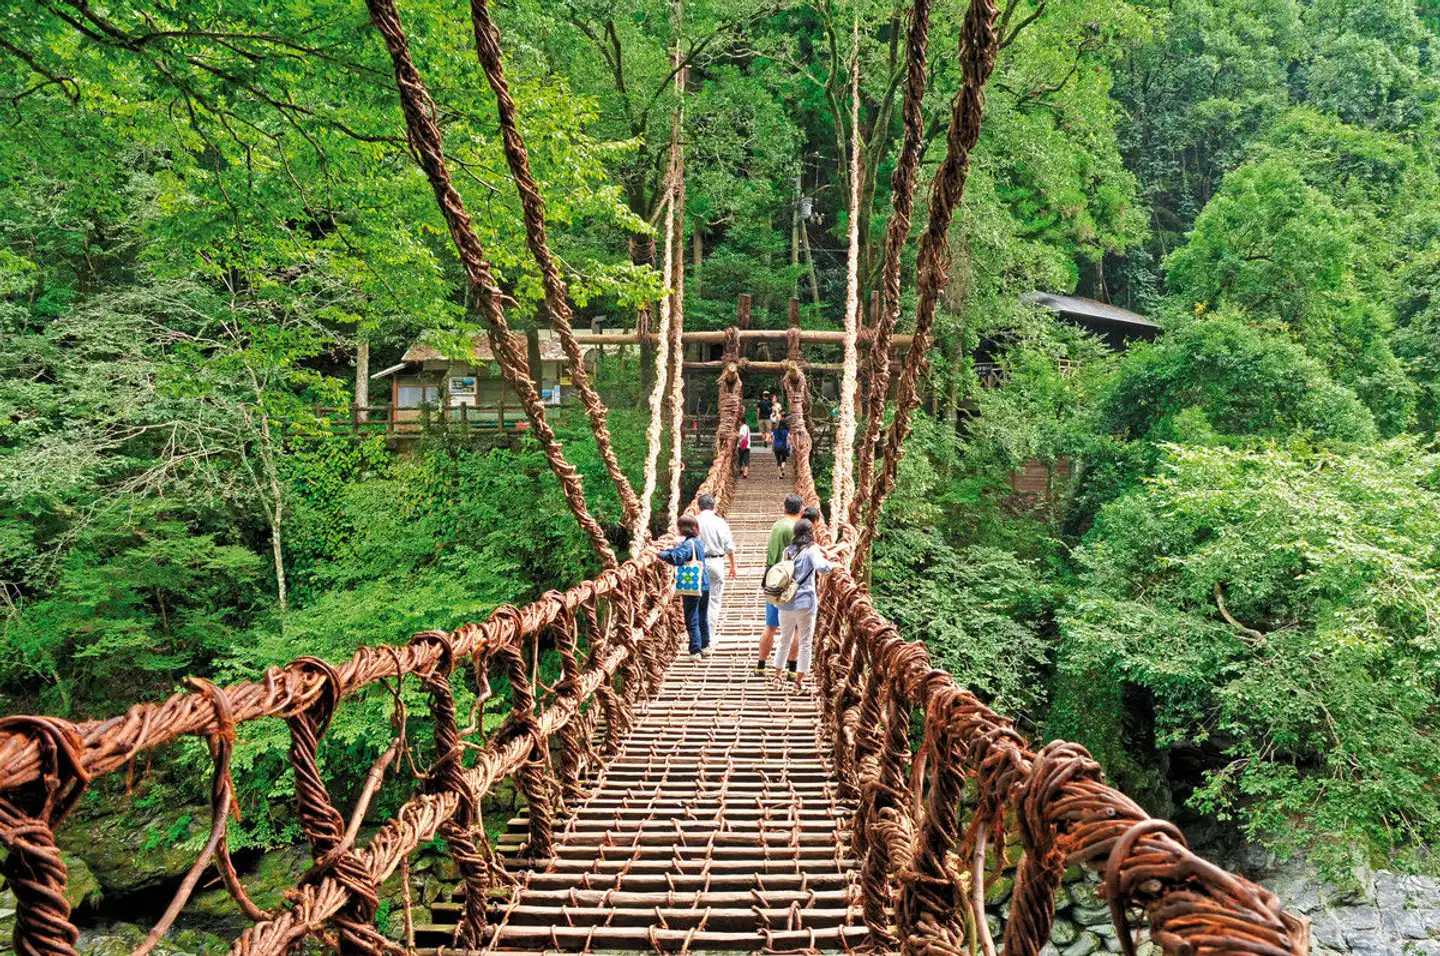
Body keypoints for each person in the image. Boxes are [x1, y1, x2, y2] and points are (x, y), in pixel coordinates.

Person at [771, 518, 833, 690]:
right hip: (805, 601)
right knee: (805, 641)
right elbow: (821, 567)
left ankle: (777, 677)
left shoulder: (787, 551)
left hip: (786, 601)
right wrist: (833, 565)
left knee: (784, 639)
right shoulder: (811, 549)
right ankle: (798, 681)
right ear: (810, 533)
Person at [756, 493, 803, 675]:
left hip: (773, 579)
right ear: (801, 510)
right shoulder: (798, 528)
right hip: (791, 582)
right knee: (796, 628)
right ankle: (792, 669)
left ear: (784, 508)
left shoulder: (777, 525)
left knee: (771, 626)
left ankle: (761, 666)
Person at [658, 514, 711, 660]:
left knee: (691, 617)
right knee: (702, 615)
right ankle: (705, 646)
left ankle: (695, 650)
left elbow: (677, 558)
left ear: (681, 529)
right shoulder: (697, 542)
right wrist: (667, 550)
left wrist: (658, 553)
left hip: (692, 586)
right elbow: (678, 552)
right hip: (704, 583)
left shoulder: (688, 544)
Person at [695, 493, 737, 646]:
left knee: (697, 600)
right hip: (717, 562)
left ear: (698, 507)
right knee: (713, 601)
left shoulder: (693, 522)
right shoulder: (721, 523)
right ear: (713, 507)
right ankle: (709, 638)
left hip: (697, 564)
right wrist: (733, 566)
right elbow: (729, 547)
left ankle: (697, 638)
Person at [735, 412, 752, 479]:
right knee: (746, 460)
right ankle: (745, 473)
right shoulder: (747, 427)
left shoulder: (742, 427)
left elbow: (741, 435)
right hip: (747, 446)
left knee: (740, 459)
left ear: (741, 421)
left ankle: (739, 472)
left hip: (742, 446)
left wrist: (734, 434)